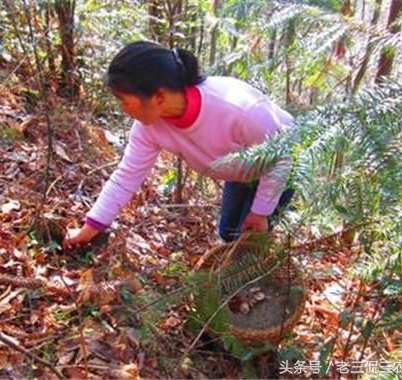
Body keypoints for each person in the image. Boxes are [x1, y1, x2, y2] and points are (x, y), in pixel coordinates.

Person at [63, 41, 294, 250]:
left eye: (124, 100)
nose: (123, 108)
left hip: (284, 166)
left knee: (249, 239)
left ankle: (256, 287)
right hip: (242, 171)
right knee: (228, 233)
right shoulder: (149, 126)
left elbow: (282, 158)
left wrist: (261, 211)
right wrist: (90, 228)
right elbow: (127, 176)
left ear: (158, 97)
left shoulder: (240, 110)